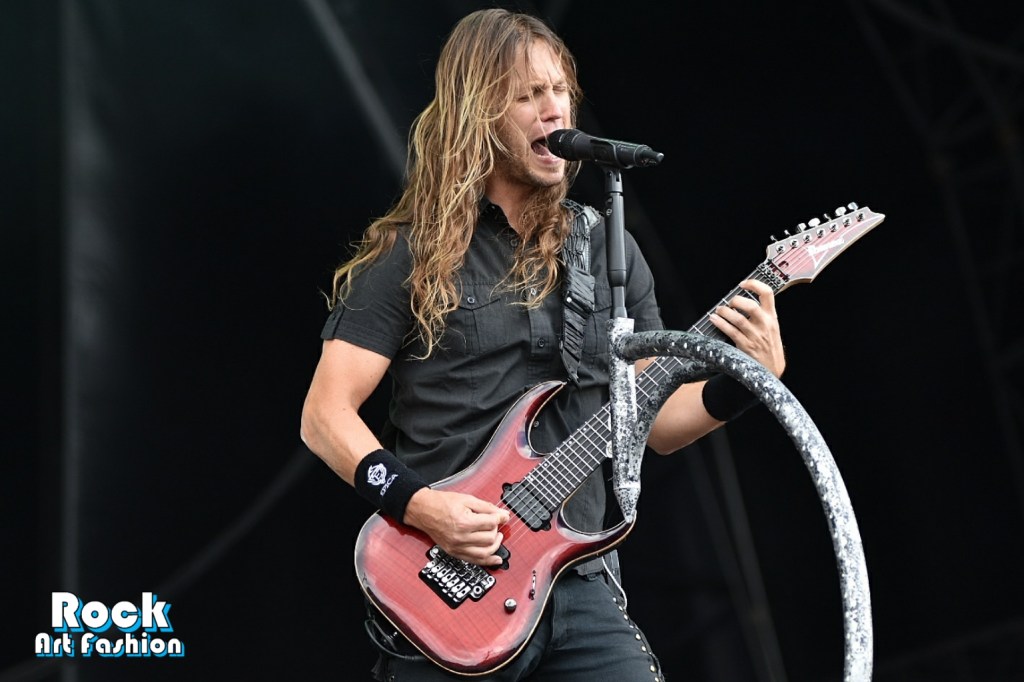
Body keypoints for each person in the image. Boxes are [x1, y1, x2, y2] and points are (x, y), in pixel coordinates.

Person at [300, 8, 785, 681]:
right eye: (528, 95)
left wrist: (745, 383)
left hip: (575, 578)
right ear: (479, 115)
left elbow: (653, 424)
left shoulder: (610, 250)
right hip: (447, 583)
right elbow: (324, 417)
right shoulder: (411, 255)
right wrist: (420, 506)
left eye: (559, 90)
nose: (553, 108)